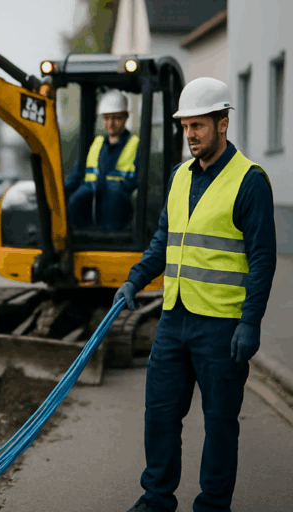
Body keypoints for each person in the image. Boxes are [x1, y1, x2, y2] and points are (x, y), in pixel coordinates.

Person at [116, 77, 276, 512]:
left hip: (222, 327)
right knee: (161, 415)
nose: (190, 135)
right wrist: (135, 278)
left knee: (220, 424)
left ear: (223, 124)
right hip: (174, 318)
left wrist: (250, 322)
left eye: (198, 126)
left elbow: (263, 259)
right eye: (186, 126)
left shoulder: (250, 182)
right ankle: (157, 499)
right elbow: (163, 240)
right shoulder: (179, 177)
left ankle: (212, 506)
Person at [65, 89, 140, 231]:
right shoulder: (96, 144)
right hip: (87, 224)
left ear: (125, 117)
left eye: (116, 118)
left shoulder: (136, 145)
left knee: (113, 193)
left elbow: (138, 183)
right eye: (106, 118)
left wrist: (112, 186)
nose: (110, 123)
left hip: (119, 222)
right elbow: (75, 177)